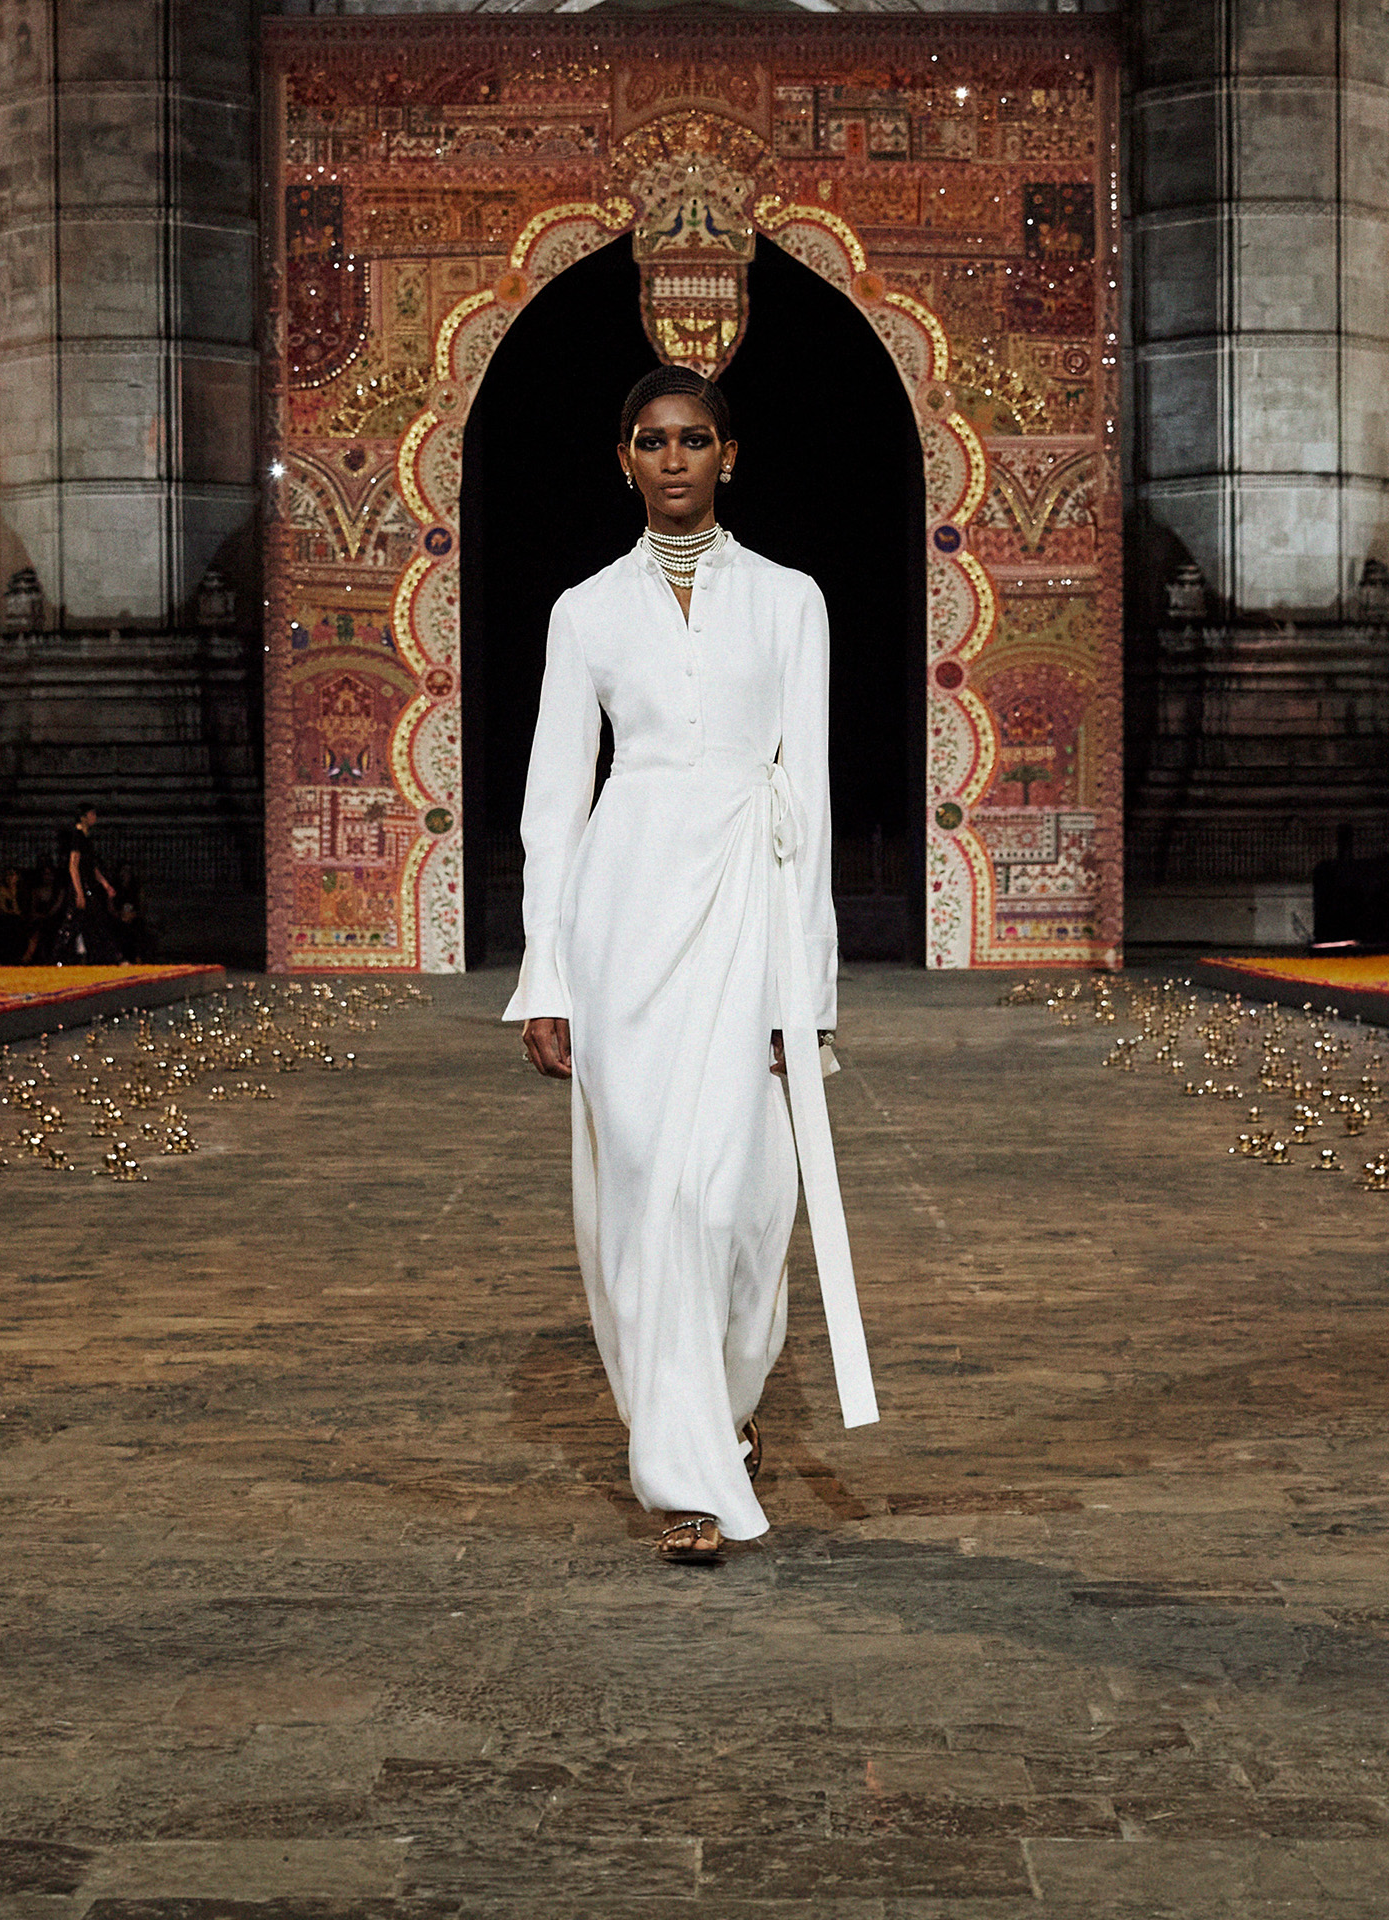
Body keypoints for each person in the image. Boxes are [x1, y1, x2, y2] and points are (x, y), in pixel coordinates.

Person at [505, 366, 877, 1565]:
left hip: (749, 911)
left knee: (740, 1204)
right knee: (649, 1199)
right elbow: (554, 806)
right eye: (652, 440)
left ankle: (723, 1403)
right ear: (624, 459)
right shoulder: (584, 611)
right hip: (623, 922)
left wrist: (806, 984)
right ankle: (683, 1479)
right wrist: (546, 976)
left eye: (695, 438)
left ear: (729, 454)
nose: (674, 458)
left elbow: (809, 796)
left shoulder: (789, 601)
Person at [56, 804, 121, 963]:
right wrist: (79, 892)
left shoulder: (85, 838)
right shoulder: (77, 837)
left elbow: (91, 866)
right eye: (91, 814)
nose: (94, 817)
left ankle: (105, 956)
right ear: (83, 817)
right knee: (73, 923)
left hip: (87, 886)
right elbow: (73, 866)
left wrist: (105, 884)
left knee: (92, 922)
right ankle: (59, 957)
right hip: (81, 887)